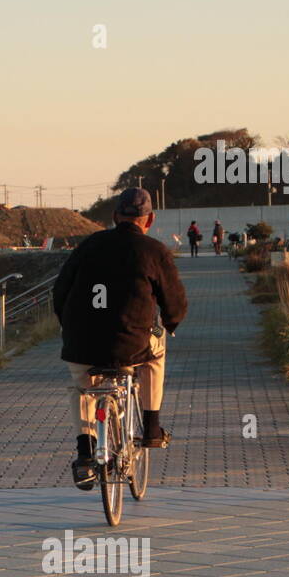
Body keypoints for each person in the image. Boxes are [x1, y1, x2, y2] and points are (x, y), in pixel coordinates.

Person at [53, 188, 188, 489]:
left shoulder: (87, 246)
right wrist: (171, 323)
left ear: (114, 217)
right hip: (136, 339)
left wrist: (68, 325)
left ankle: (86, 454)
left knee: (82, 387)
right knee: (158, 350)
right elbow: (175, 301)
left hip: (81, 341)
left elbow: (60, 292)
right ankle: (152, 427)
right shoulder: (154, 250)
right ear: (149, 219)